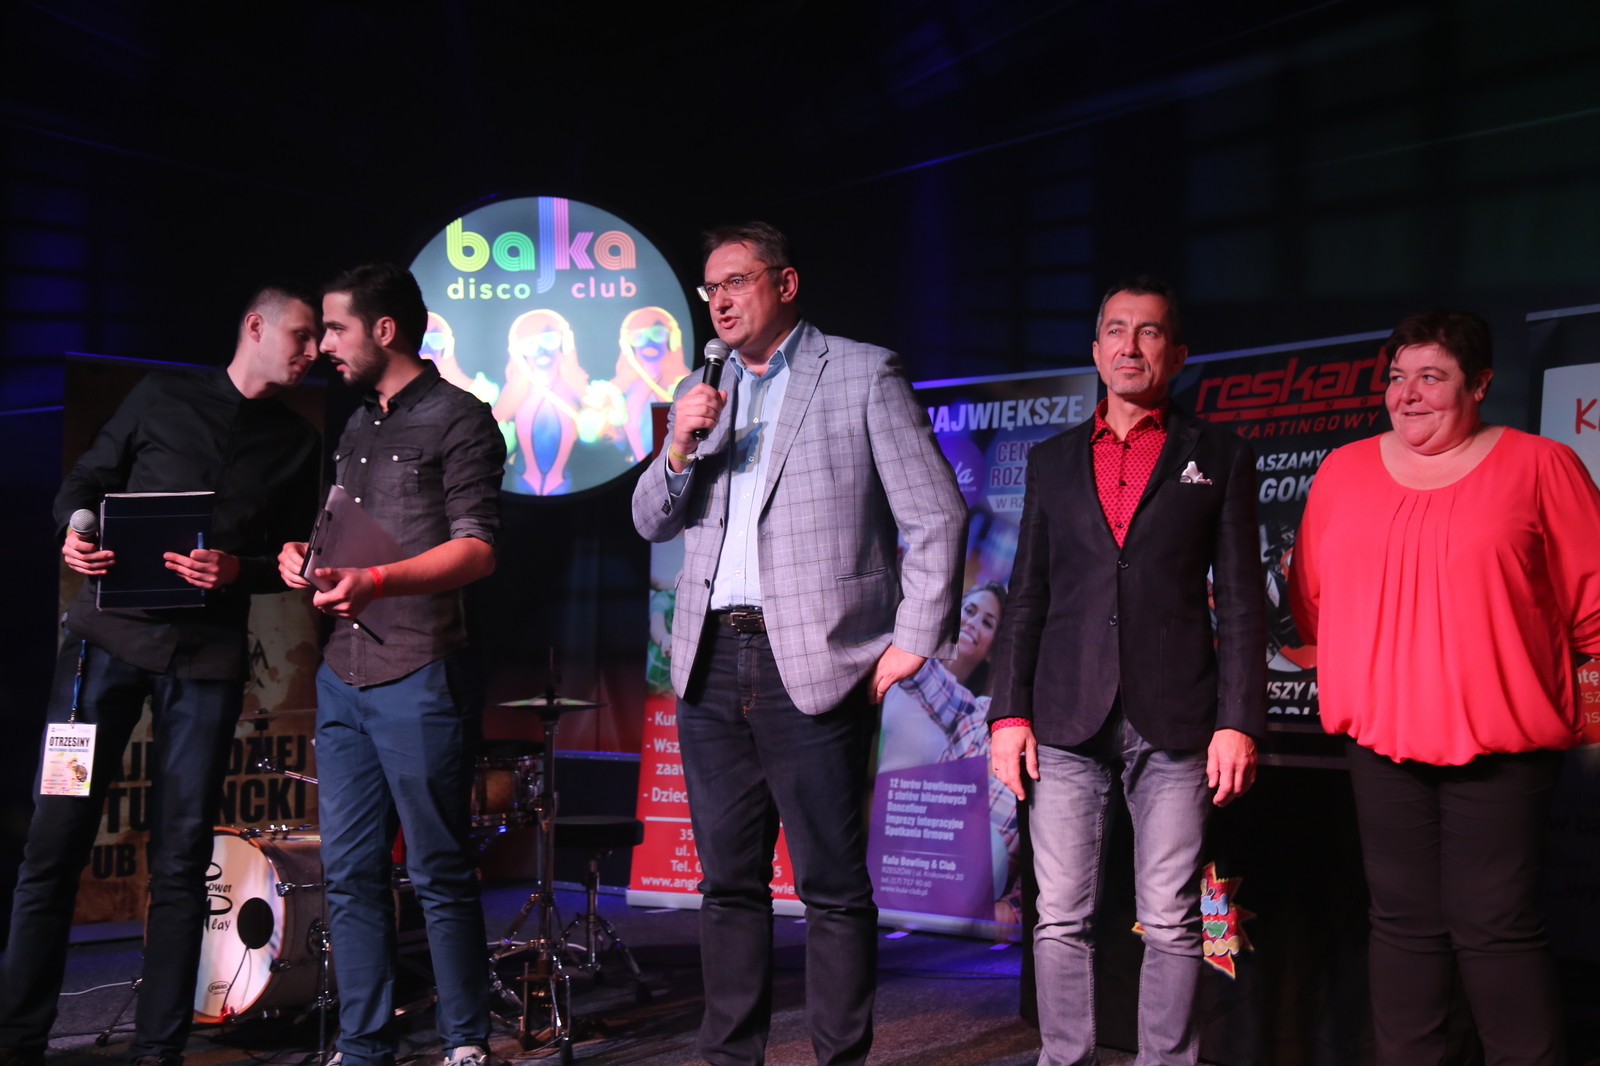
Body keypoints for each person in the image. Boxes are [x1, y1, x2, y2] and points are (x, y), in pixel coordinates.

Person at [632, 221, 964, 1066]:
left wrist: (914, 640)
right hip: (710, 662)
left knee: (831, 887)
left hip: (813, 661)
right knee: (727, 885)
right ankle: (730, 1057)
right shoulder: (702, 387)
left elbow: (936, 514)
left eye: (736, 281)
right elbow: (649, 520)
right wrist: (678, 444)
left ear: (784, 284)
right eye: (710, 287)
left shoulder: (860, 372)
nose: (720, 301)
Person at [0, 285, 322, 1066]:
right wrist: (75, 531)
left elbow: (291, 561)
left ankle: (158, 1050)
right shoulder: (161, 396)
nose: (313, 352)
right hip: (102, 647)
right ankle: (17, 1040)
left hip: (204, 661)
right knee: (53, 845)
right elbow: (84, 483)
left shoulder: (296, 440)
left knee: (181, 858)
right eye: (303, 336)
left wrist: (237, 568)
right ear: (256, 326)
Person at [1288, 310, 1595, 1066]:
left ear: (1480, 384)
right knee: (1402, 925)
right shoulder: (1342, 471)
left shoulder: (1542, 465)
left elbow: (1593, 605)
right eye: (1398, 377)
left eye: (1432, 377)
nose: (1408, 394)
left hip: (1504, 746)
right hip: (1379, 742)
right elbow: (1312, 602)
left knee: (1496, 927)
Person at [988, 276, 1265, 1066]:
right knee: (1058, 917)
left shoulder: (1219, 456)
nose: (1130, 346)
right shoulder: (1052, 460)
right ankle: (1064, 1059)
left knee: (1172, 918)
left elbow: (1241, 601)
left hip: (1176, 715)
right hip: (1064, 714)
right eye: (1116, 329)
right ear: (1096, 348)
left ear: (1176, 354)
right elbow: (1027, 595)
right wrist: (1008, 713)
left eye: (1148, 332)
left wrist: (1238, 720)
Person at [277, 263, 504, 1066]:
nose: (323, 346)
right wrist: (306, 554)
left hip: (420, 667)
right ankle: (364, 1045)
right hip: (342, 672)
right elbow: (341, 531)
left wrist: (374, 580)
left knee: (438, 868)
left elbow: (477, 549)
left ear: (385, 329)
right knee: (349, 871)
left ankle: (465, 1040)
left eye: (336, 329)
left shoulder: (459, 418)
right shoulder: (356, 424)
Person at [879, 582, 1021, 921]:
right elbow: (921, 674)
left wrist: (1014, 906)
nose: (973, 623)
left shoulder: (1057, 744)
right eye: (969, 611)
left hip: (977, 896)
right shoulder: (975, 713)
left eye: (988, 622)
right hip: (910, 865)